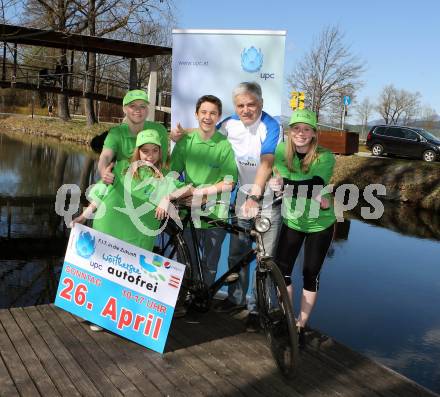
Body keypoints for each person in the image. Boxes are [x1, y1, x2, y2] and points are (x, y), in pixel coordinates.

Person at [72, 129, 192, 330]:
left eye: (155, 151)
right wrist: (85, 216)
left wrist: (167, 197)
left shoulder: (163, 178)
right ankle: (98, 316)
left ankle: (121, 316)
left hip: (138, 236)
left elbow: (188, 188)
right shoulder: (120, 167)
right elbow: (102, 190)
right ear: (137, 151)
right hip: (110, 227)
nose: (150, 155)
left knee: (130, 277)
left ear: (160, 153)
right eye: (145, 151)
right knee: (105, 272)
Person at [211, 82, 283, 333]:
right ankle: (235, 298)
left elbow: (266, 162)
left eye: (251, 104)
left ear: (261, 104)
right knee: (237, 253)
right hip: (241, 198)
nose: (246, 109)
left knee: (264, 258)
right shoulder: (228, 124)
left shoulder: (271, 126)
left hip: (266, 201)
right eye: (240, 105)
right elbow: (206, 137)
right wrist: (180, 135)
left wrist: (255, 195)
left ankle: (257, 309)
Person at [272, 108, 336, 348]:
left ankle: (301, 324)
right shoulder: (281, 151)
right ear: (290, 132)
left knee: (310, 273)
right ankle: (289, 319)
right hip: (293, 220)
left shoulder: (325, 156)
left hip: (320, 223)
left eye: (306, 129)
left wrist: (285, 184)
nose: (300, 133)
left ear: (313, 133)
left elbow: (315, 184)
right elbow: (287, 183)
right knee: (282, 271)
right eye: (296, 128)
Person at [170, 95, 238, 287]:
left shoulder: (224, 145)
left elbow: (229, 183)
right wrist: (184, 193)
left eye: (213, 113)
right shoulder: (185, 142)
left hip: (216, 213)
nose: (208, 117)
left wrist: (202, 193)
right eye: (204, 112)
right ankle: (184, 297)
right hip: (188, 211)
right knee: (186, 261)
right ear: (196, 114)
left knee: (209, 264)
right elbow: (172, 175)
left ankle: (203, 299)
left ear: (218, 117)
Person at [98, 89, 168, 185]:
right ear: (124, 109)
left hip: (152, 184)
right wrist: (103, 172)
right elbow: (105, 156)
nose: (138, 110)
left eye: (142, 106)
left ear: (147, 110)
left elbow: (163, 163)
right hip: (124, 183)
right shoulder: (116, 133)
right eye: (132, 106)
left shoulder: (159, 130)